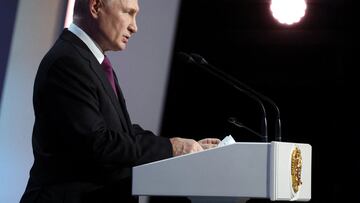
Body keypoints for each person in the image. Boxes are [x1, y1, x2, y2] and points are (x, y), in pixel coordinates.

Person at [20, 0, 220, 202]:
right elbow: (98, 143)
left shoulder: (89, 61)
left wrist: (182, 147)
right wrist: (171, 147)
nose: (134, 27)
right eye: (128, 13)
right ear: (96, 7)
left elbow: (119, 132)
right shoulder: (68, 63)